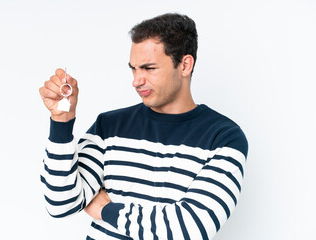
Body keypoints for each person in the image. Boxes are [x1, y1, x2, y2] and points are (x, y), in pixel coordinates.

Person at [39, 13, 248, 240]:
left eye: (149, 68)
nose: (136, 80)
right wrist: (62, 122)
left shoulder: (224, 138)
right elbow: (61, 203)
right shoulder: (109, 126)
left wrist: (104, 209)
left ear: (185, 65)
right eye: (134, 68)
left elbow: (188, 229)